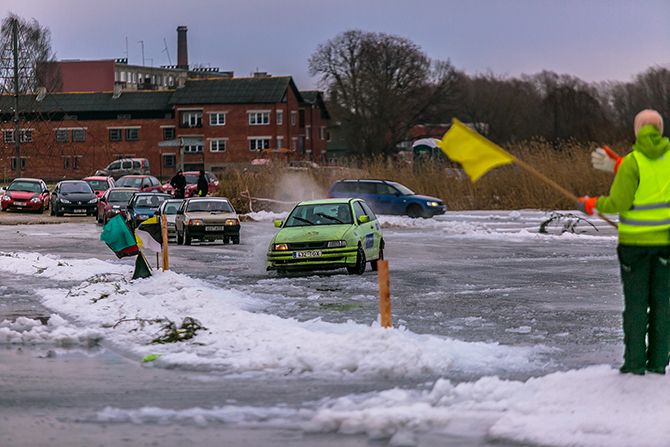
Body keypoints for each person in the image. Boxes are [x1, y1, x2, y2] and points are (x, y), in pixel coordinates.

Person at [577, 109, 670, 375]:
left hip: (634, 248)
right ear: (660, 130)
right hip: (666, 245)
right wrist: (619, 164)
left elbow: (619, 202)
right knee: (662, 303)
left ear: (637, 131)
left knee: (637, 305)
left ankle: (635, 363)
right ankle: (659, 362)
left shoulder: (632, 162)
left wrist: (589, 204)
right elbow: (655, 178)